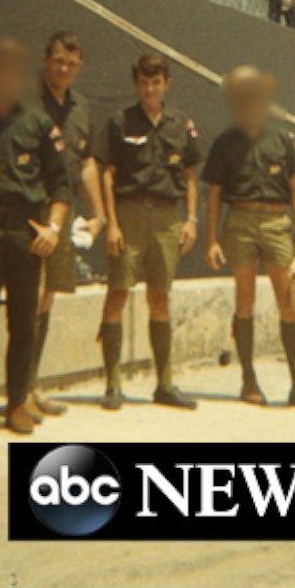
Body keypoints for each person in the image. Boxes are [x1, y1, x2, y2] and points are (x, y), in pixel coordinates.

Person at [0, 40, 71, 435]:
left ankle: (17, 404)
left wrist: (53, 229)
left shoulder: (38, 124)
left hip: (26, 231)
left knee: (24, 323)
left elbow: (61, 184)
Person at [203, 66, 295, 412]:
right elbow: (214, 193)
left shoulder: (282, 140)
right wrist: (211, 240)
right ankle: (248, 380)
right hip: (239, 219)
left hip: (275, 222)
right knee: (244, 300)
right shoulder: (225, 142)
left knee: (289, 301)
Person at [95, 53, 201, 411]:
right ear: (135, 84)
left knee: (160, 296)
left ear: (166, 84)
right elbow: (107, 174)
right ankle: (112, 384)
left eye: (155, 82)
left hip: (168, 218)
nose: (149, 89)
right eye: (143, 82)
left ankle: (165, 383)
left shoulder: (180, 123)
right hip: (130, 215)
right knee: (118, 293)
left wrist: (191, 220)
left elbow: (189, 176)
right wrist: (111, 221)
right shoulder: (120, 121)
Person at [28, 30, 107, 418]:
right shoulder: (27, 102)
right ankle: (19, 389)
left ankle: (30, 384)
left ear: (80, 67)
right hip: (28, 211)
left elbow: (86, 161)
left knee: (46, 297)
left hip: (62, 212)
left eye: (71, 64)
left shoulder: (80, 108)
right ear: (46, 60)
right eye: (58, 61)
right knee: (27, 296)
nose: (64, 69)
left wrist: (99, 213)